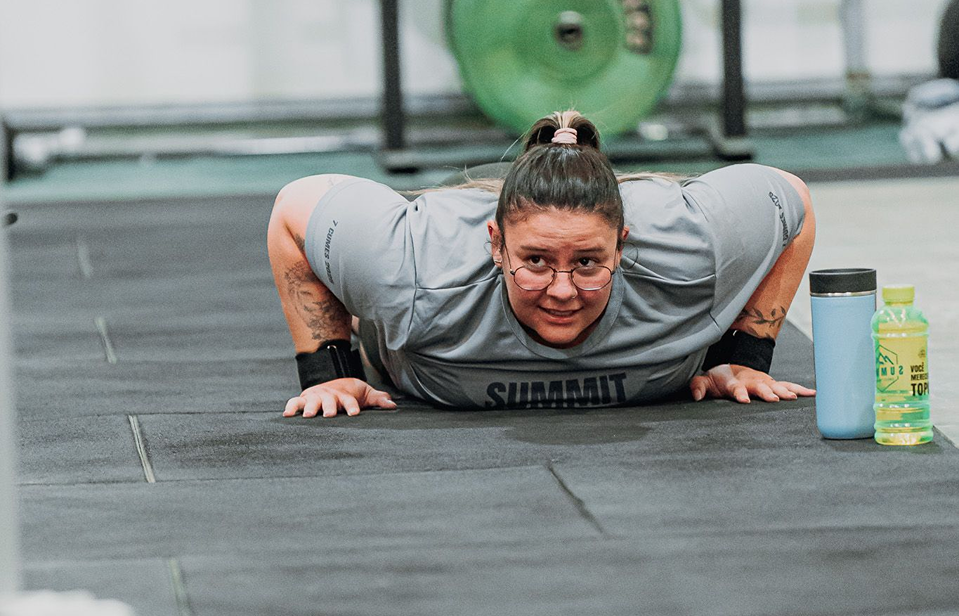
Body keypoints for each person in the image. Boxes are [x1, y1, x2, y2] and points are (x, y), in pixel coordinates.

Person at [267, 110, 816, 419]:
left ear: (622, 247)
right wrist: (330, 371)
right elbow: (294, 207)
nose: (562, 291)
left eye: (588, 264)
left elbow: (794, 199)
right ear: (496, 246)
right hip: (431, 290)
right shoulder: (412, 264)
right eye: (535, 261)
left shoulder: (691, 247)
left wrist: (740, 357)